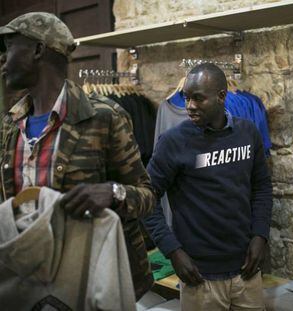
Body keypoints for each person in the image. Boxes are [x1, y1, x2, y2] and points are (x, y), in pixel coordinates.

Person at [0, 12, 155, 300]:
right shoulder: (10, 126)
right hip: (29, 280)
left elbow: (147, 196)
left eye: (9, 47)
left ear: (37, 50)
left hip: (90, 279)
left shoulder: (104, 117)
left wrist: (113, 192)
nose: (3, 60)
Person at [144, 63, 273, 310]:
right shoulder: (173, 142)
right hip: (199, 276)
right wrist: (173, 251)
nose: (189, 106)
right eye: (186, 98)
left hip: (246, 270)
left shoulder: (247, 133)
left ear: (221, 96)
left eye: (198, 98)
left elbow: (262, 187)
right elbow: (146, 198)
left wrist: (260, 235)